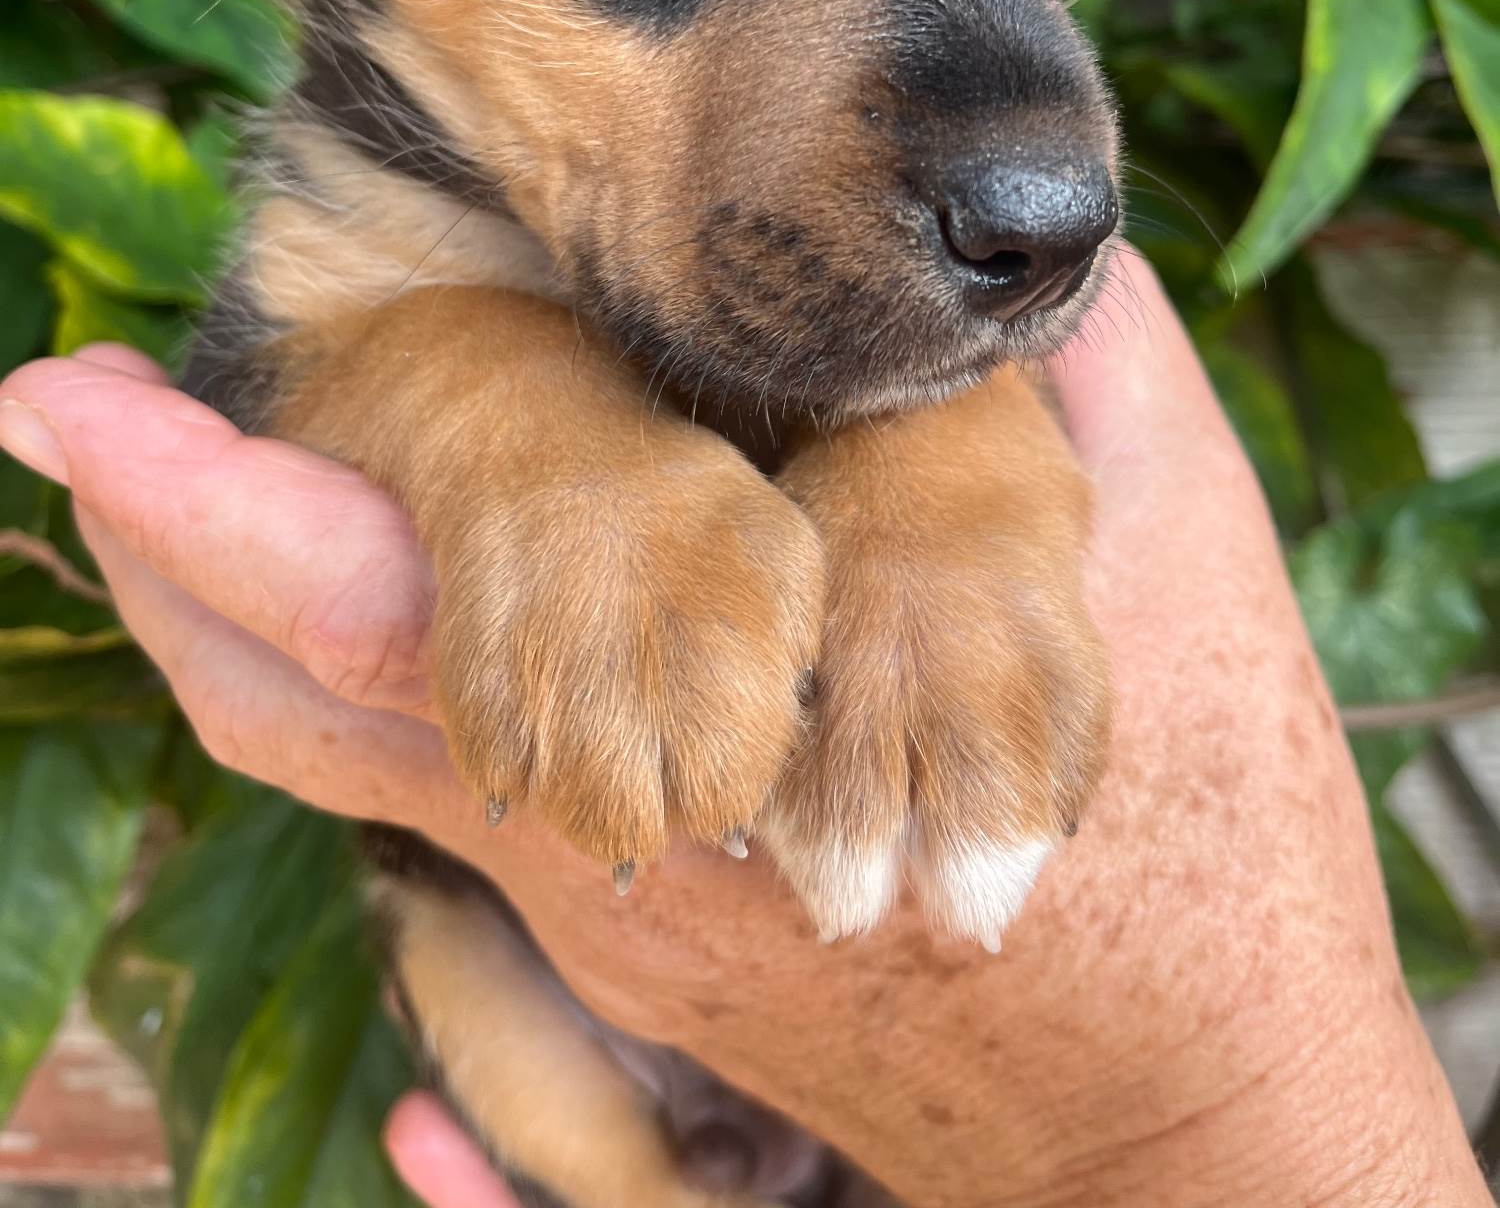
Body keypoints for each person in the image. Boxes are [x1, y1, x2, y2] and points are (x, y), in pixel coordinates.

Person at [0, 250, 1485, 1208]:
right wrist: (497, 419)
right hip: (592, 1099)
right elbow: (299, 358)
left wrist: (1179, 1128)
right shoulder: (393, 189)